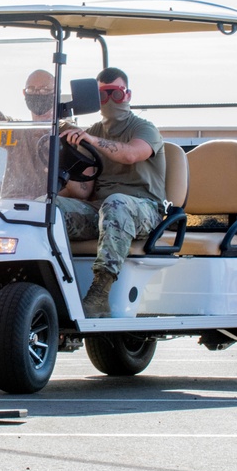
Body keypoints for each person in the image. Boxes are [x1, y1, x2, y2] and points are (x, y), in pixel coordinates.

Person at [56, 67, 166, 317]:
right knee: (47, 209)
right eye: (102, 96)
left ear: (127, 95)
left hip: (143, 209)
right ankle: (45, 284)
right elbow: (83, 191)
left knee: (116, 204)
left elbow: (130, 154)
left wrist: (92, 141)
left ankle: (99, 293)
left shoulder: (144, 128)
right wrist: (61, 166)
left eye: (115, 94)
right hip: (102, 212)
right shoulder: (91, 131)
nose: (109, 101)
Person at [0, 29, 55, 198]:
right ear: (24, 94)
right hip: (12, 212)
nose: (38, 93)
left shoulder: (67, 133)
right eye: (32, 89)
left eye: (45, 89)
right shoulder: (17, 130)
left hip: (47, 213)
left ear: (55, 93)